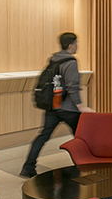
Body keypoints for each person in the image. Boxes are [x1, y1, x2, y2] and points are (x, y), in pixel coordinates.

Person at [20, 32, 94, 178]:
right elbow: (73, 87)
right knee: (81, 137)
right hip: (69, 109)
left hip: (53, 106)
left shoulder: (54, 59)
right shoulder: (71, 62)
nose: (77, 46)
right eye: (76, 43)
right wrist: (80, 106)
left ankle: (28, 167)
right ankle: (86, 165)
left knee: (43, 136)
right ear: (71, 45)